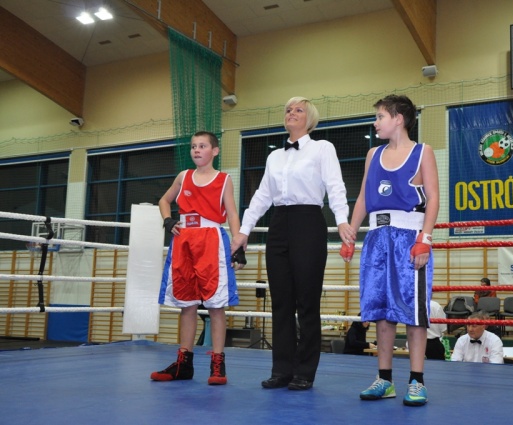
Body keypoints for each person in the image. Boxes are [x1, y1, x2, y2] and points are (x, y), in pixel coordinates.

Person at [230, 96, 352, 391]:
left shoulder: (323, 148)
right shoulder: (275, 156)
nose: (291, 113)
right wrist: (244, 231)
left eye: (299, 110)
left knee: (307, 301)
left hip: (308, 222)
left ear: (310, 119)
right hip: (279, 224)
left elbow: (335, 186)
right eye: (288, 109)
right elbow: (262, 195)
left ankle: (305, 372)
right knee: (281, 301)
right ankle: (281, 370)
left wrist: (342, 221)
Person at [340, 94, 439, 407]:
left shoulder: (423, 152)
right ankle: (384, 379)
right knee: (382, 312)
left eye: (380, 116)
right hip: (377, 237)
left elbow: (434, 197)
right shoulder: (373, 154)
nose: (375, 123)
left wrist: (425, 239)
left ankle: (417, 381)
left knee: (413, 312)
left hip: (410, 237)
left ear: (398, 119)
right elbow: (363, 197)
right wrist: (351, 233)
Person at [151, 131, 242, 385]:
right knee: (187, 303)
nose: (196, 150)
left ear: (215, 151)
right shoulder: (184, 176)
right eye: (193, 146)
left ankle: (218, 364)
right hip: (184, 240)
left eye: (202, 146)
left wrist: (238, 245)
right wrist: (168, 220)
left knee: (216, 304)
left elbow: (232, 213)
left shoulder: (224, 179)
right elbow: (164, 200)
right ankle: (184, 363)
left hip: (212, 240)